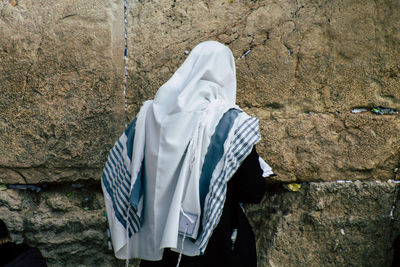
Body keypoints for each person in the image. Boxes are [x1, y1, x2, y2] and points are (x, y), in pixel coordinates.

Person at [101, 41, 274, 267]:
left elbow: (119, 172)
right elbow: (252, 191)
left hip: (159, 253)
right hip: (214, 250)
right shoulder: (230, 124)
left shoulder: (149, 116)